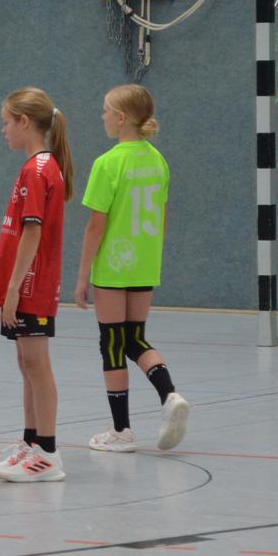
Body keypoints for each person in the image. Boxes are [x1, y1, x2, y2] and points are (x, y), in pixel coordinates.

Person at [75, 84, 190, 451]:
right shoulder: (158, 161)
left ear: (122, 118)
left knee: (112, 343)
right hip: (145, 261)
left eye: (106, 111)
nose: (102, 117)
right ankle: (169, 395)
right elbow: (163, 218)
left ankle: (121, 431)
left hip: (113, 264)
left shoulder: (108, 163)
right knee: (134, 338)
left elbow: (96, 227)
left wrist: (82, 275)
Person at [0, 88, 72, 484]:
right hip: (25, 285)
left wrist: (14, 287)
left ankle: (48, 453)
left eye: (6, 122)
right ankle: (31, 443)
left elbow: (32, 233)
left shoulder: (38, 170)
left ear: (24, 122)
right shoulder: (35, 168)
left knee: (37, 364)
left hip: (33, 285)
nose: (3, 130)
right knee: (26, 363)